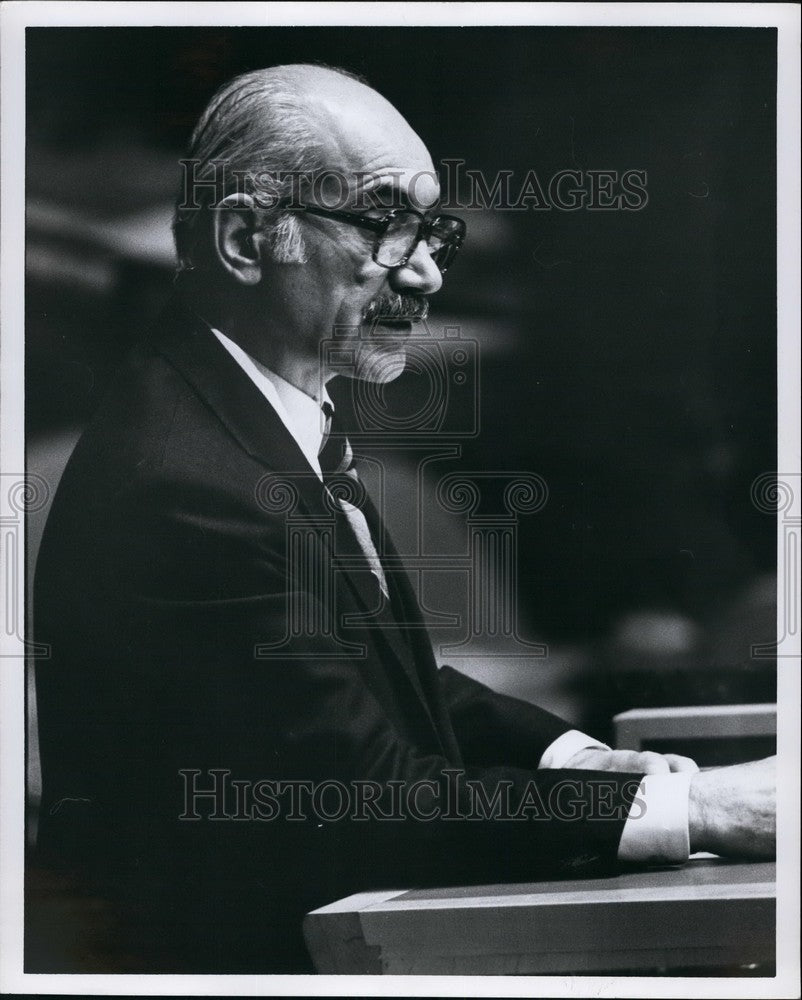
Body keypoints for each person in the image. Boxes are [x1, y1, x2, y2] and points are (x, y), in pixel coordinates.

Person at [31, 64, 776, 974]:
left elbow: (395, 691)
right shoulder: (189, 486)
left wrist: (583, 758)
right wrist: (701, 813)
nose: (423, 272)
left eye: (433, 233)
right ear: (243, 239)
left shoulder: (245, 415)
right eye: (385, 225)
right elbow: (372, 800)